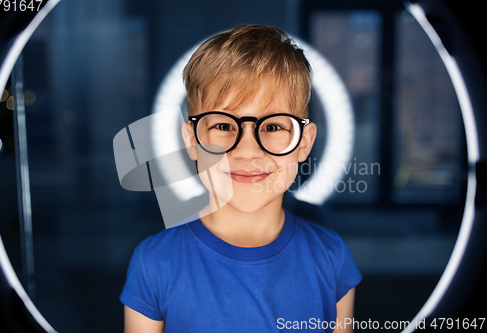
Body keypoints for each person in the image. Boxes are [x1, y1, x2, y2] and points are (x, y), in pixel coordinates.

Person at [120, 24, 362, 333]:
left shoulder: (331, 256)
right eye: (223, 126)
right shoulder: (154, 263)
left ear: (304, 143)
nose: (247, 151)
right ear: (193, 141)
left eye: (273, 127)